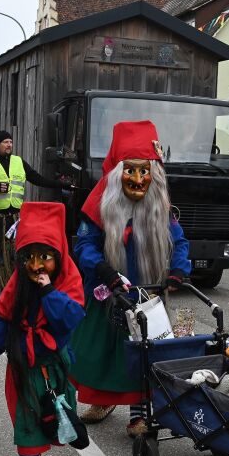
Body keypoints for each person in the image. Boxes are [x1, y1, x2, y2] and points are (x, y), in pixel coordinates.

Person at [69, 121, 190, 432]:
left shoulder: (158, 206)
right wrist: (103, 269)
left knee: (142, 350)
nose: (138, 179)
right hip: (108, 291)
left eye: (144, 171)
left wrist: (178, 270)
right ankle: (103, 398)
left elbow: (180, 241)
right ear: (117, 172)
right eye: (131, 170)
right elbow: (84, 243)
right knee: (99, 349)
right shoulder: (101, 201)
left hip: (146, 293)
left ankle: (139, 414)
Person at [0, 202, 86, 456]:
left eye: (45, 258)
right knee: (27, 421)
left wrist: (49, 293)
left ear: (58, 257)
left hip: (54, 362)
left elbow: (69, 318)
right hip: (24, 364)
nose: (36, 266)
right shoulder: (16, 284)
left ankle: (47, 448)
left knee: (55, 414)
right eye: (28, 258)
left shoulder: (68, 279)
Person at [0, 131, 71, 300]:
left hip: (15, 218)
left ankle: (15, 287)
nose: (9, 145)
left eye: (10, 141)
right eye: (5, 142)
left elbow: (37, 179)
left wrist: (60, 184)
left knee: (16, 254)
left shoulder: (18, 162)